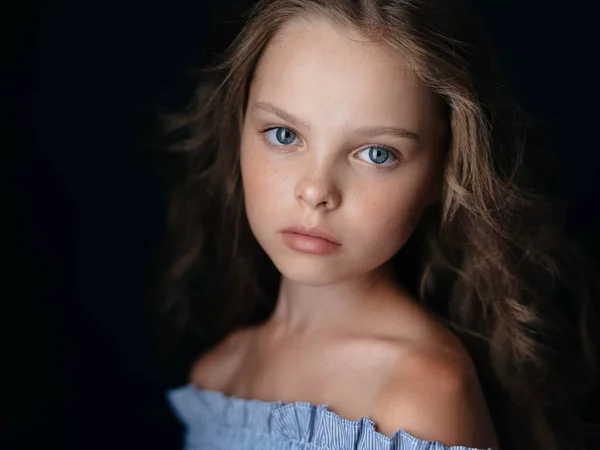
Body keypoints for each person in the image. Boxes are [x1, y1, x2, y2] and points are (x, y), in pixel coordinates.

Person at [158, 0, 599, 449]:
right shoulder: (217, 376)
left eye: (377, 153)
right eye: (285, 135)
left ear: (443, 172)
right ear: (238, 130)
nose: (316, 190)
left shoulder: (418, 397)